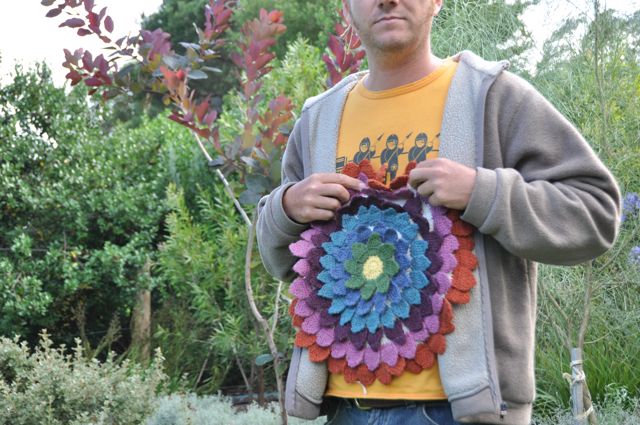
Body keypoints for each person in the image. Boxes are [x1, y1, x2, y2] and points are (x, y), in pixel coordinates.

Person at [256, 0, 621, 424]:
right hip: (345, 410)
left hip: (467, 410)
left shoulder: (492, 97)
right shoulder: (318, 119)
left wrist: (481, 192)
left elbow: (596, 211)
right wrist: (285, 209)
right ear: (347, 8)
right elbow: (282, 261)